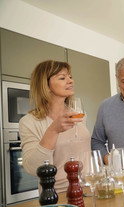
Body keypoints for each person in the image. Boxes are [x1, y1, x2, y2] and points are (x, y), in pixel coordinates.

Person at [19, 60, 91, 193]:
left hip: (90, 190)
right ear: (45, 85)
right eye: (63, 78)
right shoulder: (29, 122)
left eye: (70, 76)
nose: (70, 81)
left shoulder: (79, 114)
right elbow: (33, 168)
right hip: (58, 195)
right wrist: (53, 130)